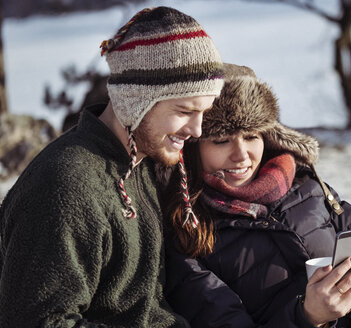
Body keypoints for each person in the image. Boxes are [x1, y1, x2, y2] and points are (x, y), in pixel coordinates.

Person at [160, 64, 351, 328]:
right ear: (192, 148)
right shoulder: (188, 231)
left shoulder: (306, 187)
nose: (241, 155)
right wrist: (308, 317)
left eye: (251, 136)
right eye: (221, 141)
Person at [0, 7, 224, 327]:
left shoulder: (139, 160)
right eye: (185, 110)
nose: (197, 130)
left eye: (204, 110)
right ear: (135, 102)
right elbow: (39, 321)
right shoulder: (69, 186)